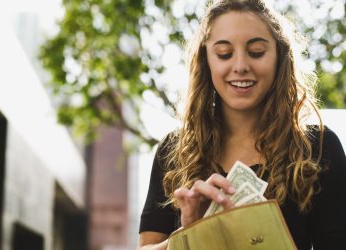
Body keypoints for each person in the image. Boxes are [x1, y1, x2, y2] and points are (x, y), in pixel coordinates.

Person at [138, 0, 346, 249]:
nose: (240, 66)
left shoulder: (318, 147)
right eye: (224, 54)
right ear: (207, 60)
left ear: (280, 57)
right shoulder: (175, 149)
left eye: (256, 51)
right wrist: (190, 232)